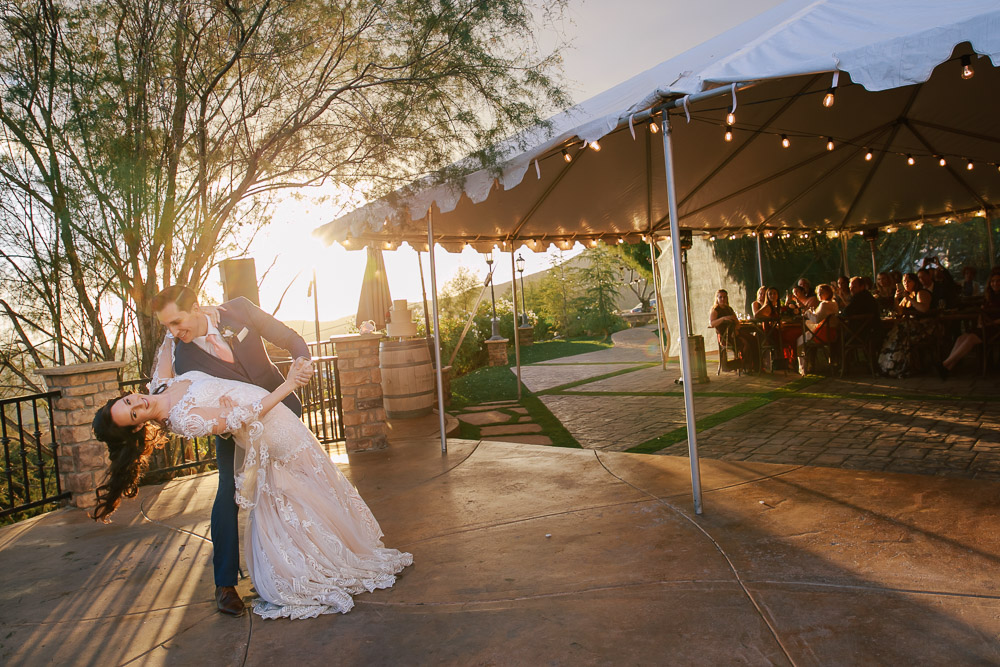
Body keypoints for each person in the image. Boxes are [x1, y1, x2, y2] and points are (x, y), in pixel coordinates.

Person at [92, 354, 413, 620]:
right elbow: (242, 416)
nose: (138, 402)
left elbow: (167, 339)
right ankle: (315, 564)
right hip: (270, 424)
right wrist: (289, 384)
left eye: (128, 399)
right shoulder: (182, 418)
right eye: (133, 412)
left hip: (276, 418)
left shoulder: (160, 384)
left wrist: (178, 320)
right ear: (137, 426)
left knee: (307, 489)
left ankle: (336, 548)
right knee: (302, 489)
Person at [149, 285, 314, 617]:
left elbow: (288, 337)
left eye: (177, 322)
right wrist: (219, 406)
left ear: (195, 306)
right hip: (234, 429)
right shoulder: (182, 357)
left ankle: (298, 562)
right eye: (167, 327)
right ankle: (224, 583)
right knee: (228, 492)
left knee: (292, 488)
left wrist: (302, 361)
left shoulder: (240, 310)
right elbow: (187, 397)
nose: (174, 332)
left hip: (280, 411)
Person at [939, 271, 1000, 378]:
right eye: (993, 281)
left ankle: (944, 364)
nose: (995, 283)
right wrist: (981, 322)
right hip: (985, 326)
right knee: (961, 338)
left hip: (995, 328)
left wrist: (992, 323)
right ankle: (948, 367)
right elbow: (982, 311)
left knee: (971, 338)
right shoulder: (989, 297)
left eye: (998, 281)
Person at [878, 272, 936, 377]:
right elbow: (899, 312)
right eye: (904, 281)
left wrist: (909, 299)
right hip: (909, 327)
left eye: (908, 281)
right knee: (892, 335)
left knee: (899, 333)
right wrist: (896, 299)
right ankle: (889, 366)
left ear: (915, 282)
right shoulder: (907, 296)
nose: (906, 283)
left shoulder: (921, 293)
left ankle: (900, 367)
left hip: (924, 327)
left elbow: (923, 309)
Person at [709, 289, 757, 372]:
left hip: (734, 333)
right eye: (720, 297)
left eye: (724, 297)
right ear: (717, 298)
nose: (723, 299)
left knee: (752, 339)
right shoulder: (715, 310)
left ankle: (755, 365)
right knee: (745, 343)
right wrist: (723, 319)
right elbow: (712, 323)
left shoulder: (729, 309)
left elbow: (736, 321)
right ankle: (745, 365)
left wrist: (736, 329)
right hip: (725, 336)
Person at [796, 284, 839, 373]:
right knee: (806, 338)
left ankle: (803, 368)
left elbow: (816, 319)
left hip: (823, 334)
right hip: (833, 332)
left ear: (829, 293)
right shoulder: (834, 303)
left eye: (822, 293)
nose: (819, 295)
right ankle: (810, 366)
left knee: (799, 341)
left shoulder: (824, 304)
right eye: (818, 293)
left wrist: (807, 312)